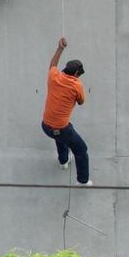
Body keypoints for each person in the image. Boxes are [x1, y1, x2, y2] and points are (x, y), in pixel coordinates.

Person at [41, 37, 91, 185]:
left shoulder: (53, 76)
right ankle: (83, 181)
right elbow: (81, 102)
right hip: (61, 128)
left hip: (45, 125)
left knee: (61, 134)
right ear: (76, 73)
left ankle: (63, 161)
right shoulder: (76, 85)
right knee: (81, 150)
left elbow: (53, 64)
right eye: (79, 73)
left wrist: (60, 48)